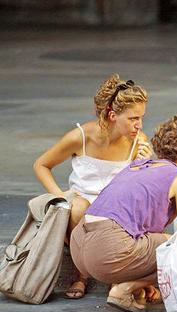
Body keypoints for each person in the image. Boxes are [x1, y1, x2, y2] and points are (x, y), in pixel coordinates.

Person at [70, 115, 177, 312]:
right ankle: (124, 289)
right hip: (107, 249)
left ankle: (133, 285)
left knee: (161, 243)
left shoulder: (136, 166)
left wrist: (147, 281)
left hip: (80, 247)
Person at [33, 74, 151, 299]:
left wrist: (143, 165)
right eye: (133, 118)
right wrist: (60, 198)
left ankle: (119, 274)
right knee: (78, 207)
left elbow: (141, 190)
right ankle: (81, 274)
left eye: (141, 118)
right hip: (82, 204)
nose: (139, 125)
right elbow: (41, 165)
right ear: (113, 115)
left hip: (116, 206)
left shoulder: (138, 141)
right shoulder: (81, 137)